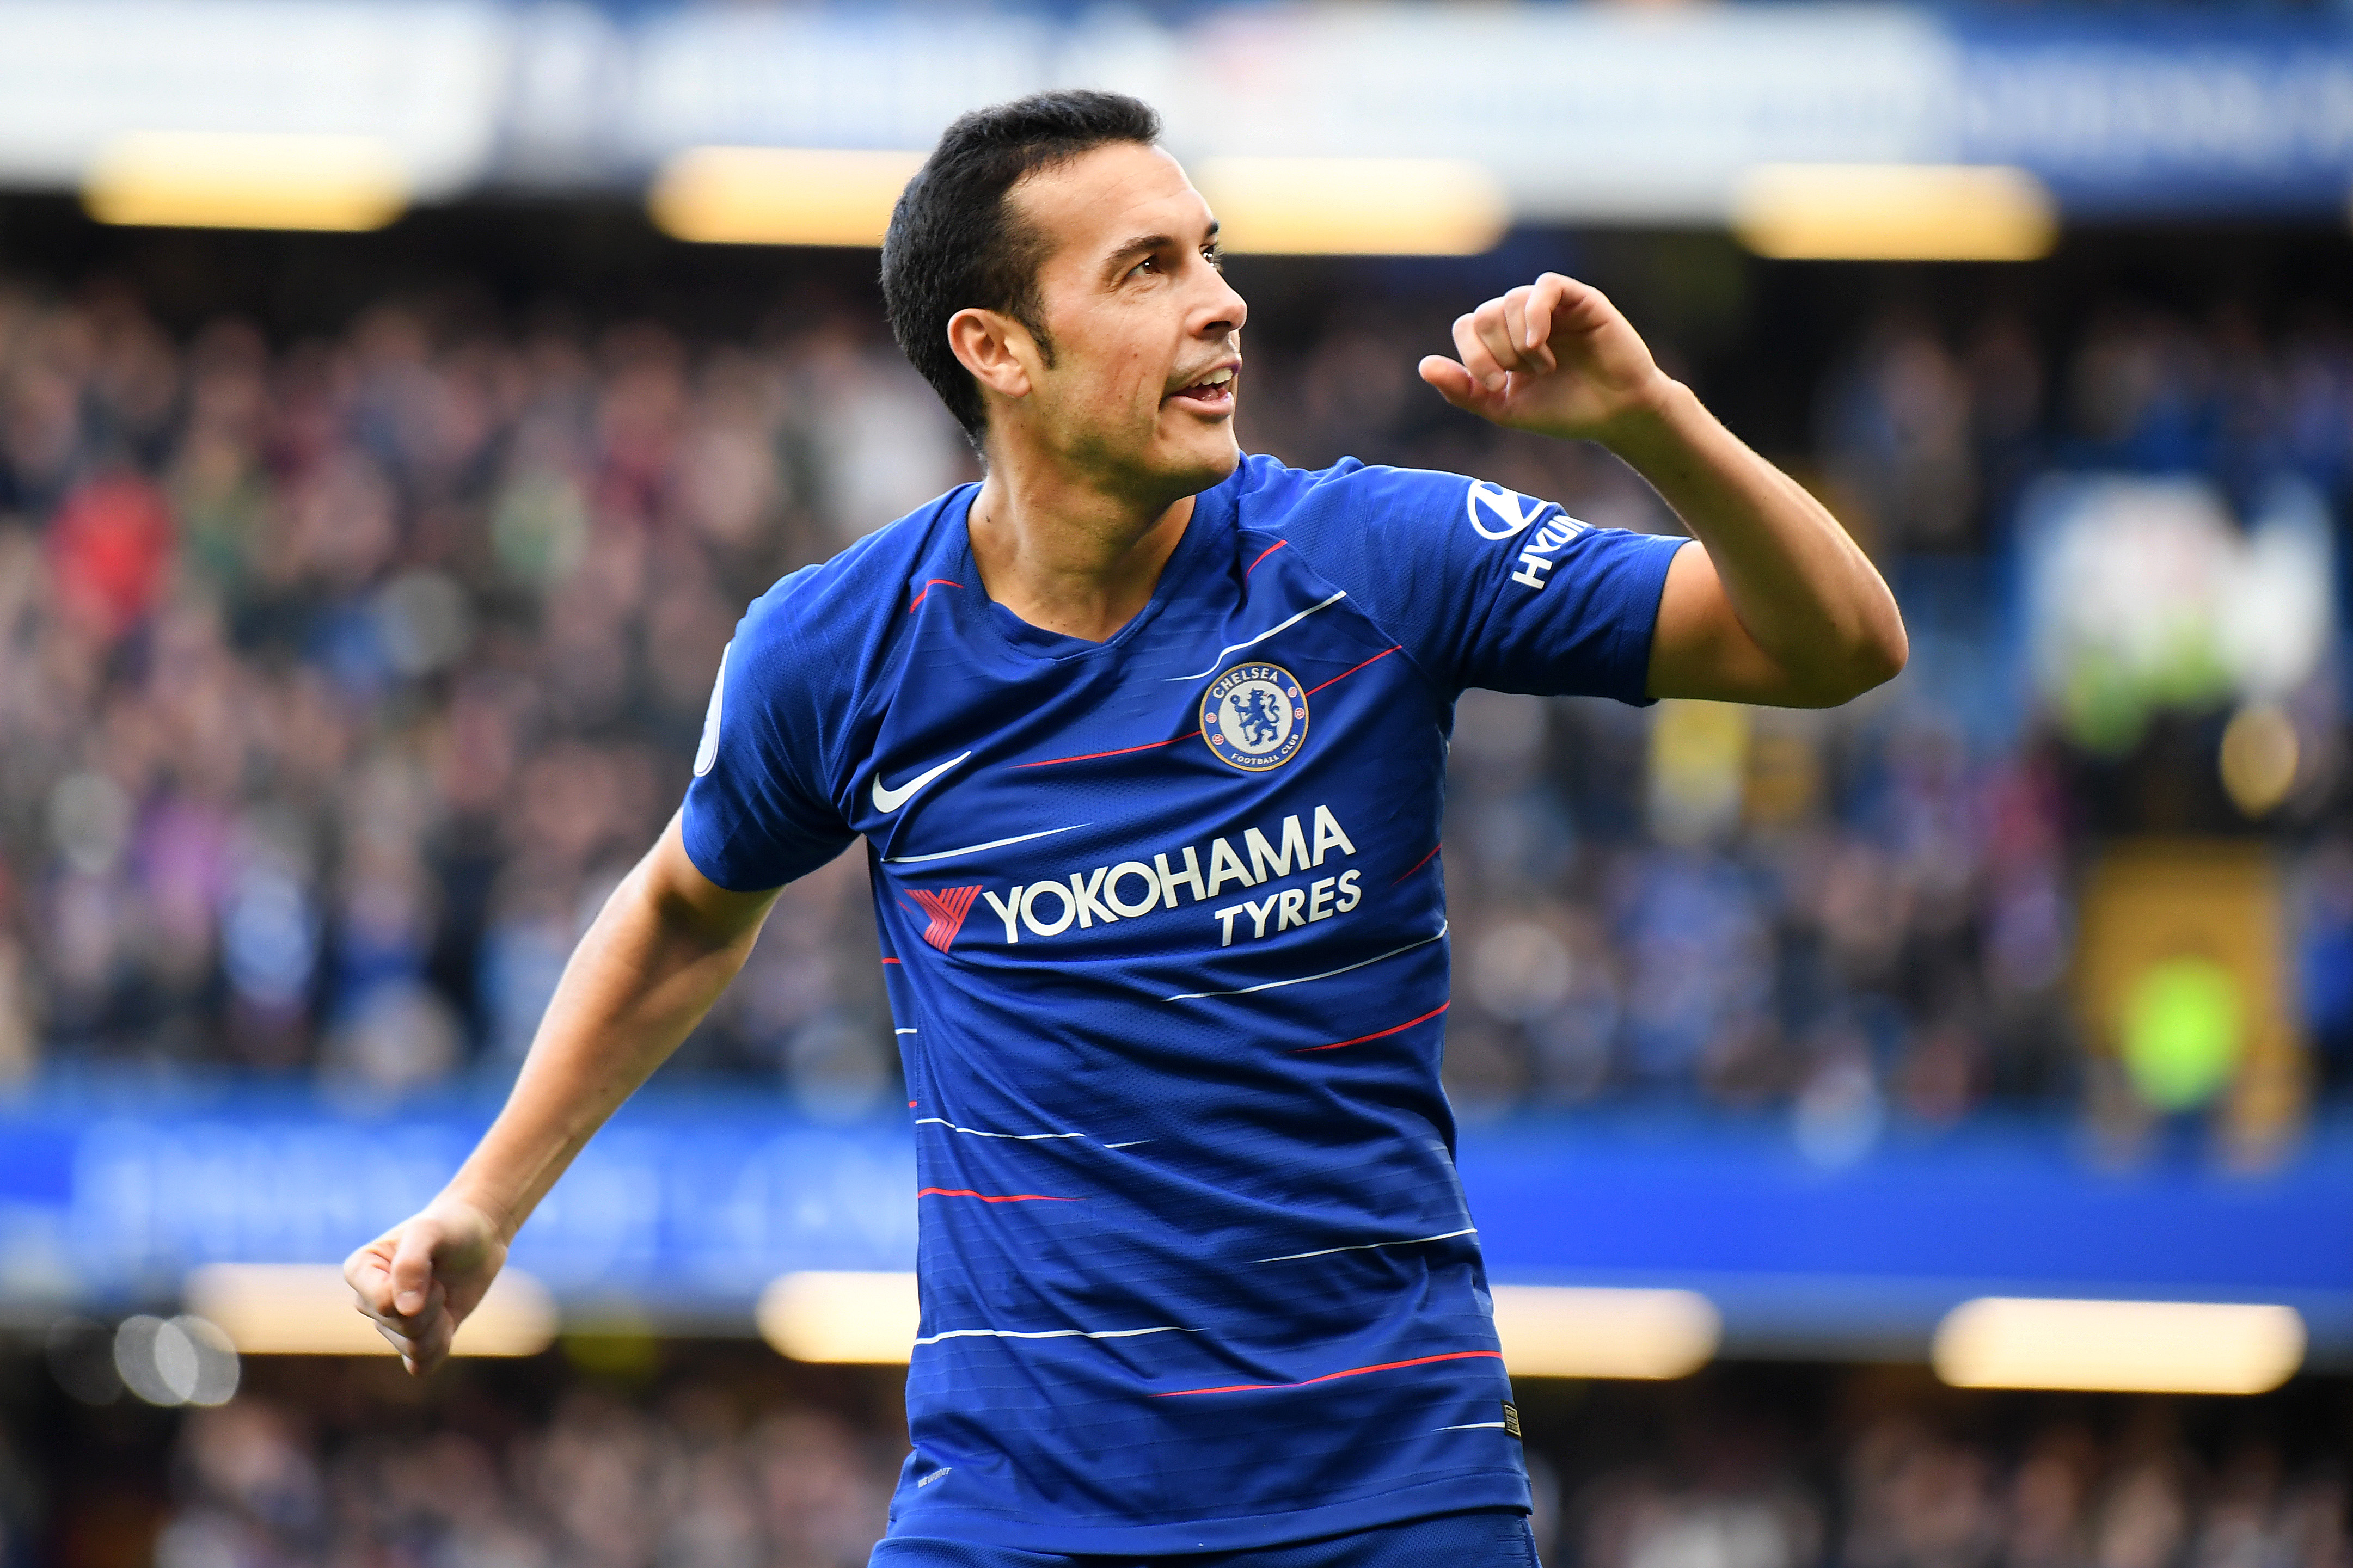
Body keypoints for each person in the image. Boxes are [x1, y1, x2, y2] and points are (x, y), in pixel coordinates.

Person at [346, 91, 1904, 1567]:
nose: (1220, 301)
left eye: (1210, 252)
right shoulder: (838, 650)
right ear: (996, 348)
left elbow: (1837, 643)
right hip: (1016, 1503)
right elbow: (686, 908)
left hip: (1383, 1490)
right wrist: (482, 1203)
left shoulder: (1371, 553)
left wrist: (1649, 418)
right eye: (1148, 269)